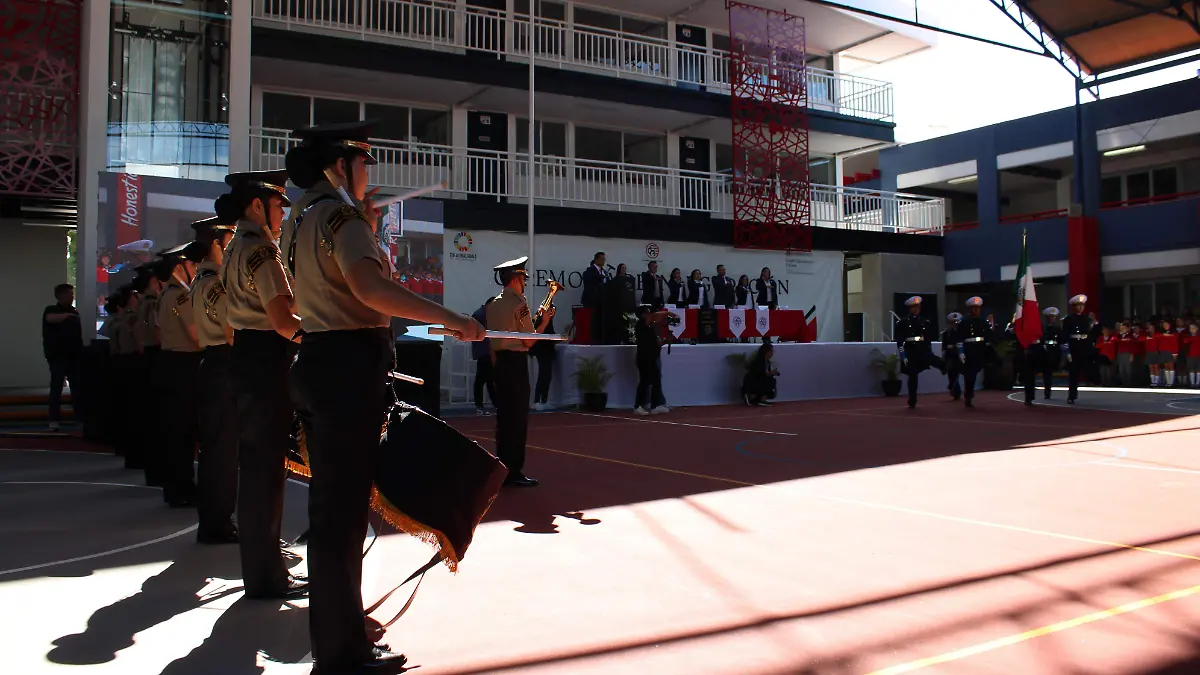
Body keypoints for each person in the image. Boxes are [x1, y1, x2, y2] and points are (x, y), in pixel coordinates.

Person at [283, 120, 483, 674]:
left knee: (333, 513)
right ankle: (342, 654)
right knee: (343, 518)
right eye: (364, 162)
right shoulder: (341, 218)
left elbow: (325, 286)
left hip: (320, 361)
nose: (371, 173)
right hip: (348, 369)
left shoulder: (301, 217)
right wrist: (453, 320)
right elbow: (371, 291)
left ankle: (337, 641)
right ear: (340, 166)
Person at [217, 170, 307, 598]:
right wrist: (321, 335)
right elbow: (283, 321)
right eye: (278, 205)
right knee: (267, 476)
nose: (282, 213)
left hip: (246, 359)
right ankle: (269, 577)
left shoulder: (234, 247)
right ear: (257, 206)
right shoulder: (261, 253)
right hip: (267, 361)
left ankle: (260, 572)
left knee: (255, 472)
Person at [190, 216, 240, 544]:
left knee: (215, 451)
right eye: (229, 239)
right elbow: (232, 332)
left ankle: (214, 519)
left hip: (211, 363)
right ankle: (217, 523)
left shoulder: (200, 281)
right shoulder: (216, 285)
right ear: (215, 243)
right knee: (222, 453)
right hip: (224, 365)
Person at [486, 256, 554, 486]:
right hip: (515, 363)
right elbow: (528, 341)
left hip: (501, 363)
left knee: (504, 418)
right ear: (516, 278)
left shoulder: (493, 303)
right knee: (517, 418)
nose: (524, 282)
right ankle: (513, 470)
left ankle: (502, 467)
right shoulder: (519, 304)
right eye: (523, 278)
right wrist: (543, 322)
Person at [156, 240, 207, 507]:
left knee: (176, 429)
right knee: (184, 431)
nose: (195, 268)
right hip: (184, 365)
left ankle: (175, 486)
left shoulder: (166, 294)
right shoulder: (180, 295)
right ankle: (182, 488)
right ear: (180, 266)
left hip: (171, 363)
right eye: (191, 264)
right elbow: (195, 335)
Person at [42, 283, 83, 431]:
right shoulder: (52, 310)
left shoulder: (74, 312)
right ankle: (53, 419)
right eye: (69, 294)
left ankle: (79, 418)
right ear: (60, 296)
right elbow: (50, 318)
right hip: (57, 356)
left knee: (77, 388)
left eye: (72, 294)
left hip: (74, 356)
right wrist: (67, 316)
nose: (72, 297)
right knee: (56, 388)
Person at [895, 296, 939, 408]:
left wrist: (929, 350)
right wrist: (902, 354)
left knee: (932, 359)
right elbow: (900, 341)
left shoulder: (924, 322)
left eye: (917, 307)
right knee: (913, 375)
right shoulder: (903, 323)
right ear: (909, 308)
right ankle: (912, 399)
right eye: (914, 307)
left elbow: (927, 339)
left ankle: (945, 366)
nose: (916, 309)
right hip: (910, 350)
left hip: (922, 349)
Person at [633, 305, 670, 415]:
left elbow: (655, 343)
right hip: (644, 358)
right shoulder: (640, 325)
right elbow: (653, 317)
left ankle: (655, 405)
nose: (650, 314)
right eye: (647, 312)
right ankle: (638, 406)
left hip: (652, 357)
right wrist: (668, 314)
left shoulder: (650, 328)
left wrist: (665, 341)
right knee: (644, 382)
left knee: (656, 381)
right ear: (643, 315)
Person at [955, 296, 992, 408]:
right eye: (974, 308)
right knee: (969, 375)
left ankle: (970, 393)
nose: (976, 310)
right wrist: (961, 352)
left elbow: (988, 337)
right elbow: (959, 338)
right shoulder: (964, 322)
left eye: (978, 308)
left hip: (980, 349)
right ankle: (968, 396)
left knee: (975, 373)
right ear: (970, 309)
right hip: (969, 350)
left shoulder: (983, 322)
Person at [1061, 295, 1099, 402]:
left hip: (1085, 345)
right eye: (1078, 305)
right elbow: (1065, 335)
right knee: (1074, 372)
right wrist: (1067, 350)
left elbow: (1093, 333)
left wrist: (1095, 323)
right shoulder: (1068, 319)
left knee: (1092, 364)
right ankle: (1072, 396)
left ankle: (1094, 381)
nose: (1080, 307)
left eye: (1082, 305)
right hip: (1074, 346)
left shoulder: (1087, 319)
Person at [1024, 307, 1062, 405]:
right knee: (1034, 373)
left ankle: (1047, 392)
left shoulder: (1057, 328)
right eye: (1050, 316)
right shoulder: (1042, 327)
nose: (1052, 318)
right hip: (1041, 352)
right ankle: (1032, 395)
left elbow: (1060, 340)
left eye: (1054, 317)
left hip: (1052, 352)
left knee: (1048, 373)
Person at [472, 298, 496, 415]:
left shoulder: (484, 314)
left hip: (486, 351)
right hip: (483, 351)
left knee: (487, 379)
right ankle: (480, 405)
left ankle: (484, 405)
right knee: (484, 379)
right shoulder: (480, 315)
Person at [530, 308, 556, 411]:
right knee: (543, 375)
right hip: (542, 351)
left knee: (547, 376)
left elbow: (552, 336)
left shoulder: (549, 322)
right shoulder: (541, 321)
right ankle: (537, 401)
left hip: (547, 351)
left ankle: (544, 400)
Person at [742, 340, 779, 406]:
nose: (772, 353)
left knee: (772, 380)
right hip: (753, 382)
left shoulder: (767, 362)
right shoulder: (759, 361)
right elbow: (762, 373)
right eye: (771, 351)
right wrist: (772, 373)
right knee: (770, 380)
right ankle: (760, 399)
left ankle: (759, 398)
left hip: (759, 381)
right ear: (766, 352)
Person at [941, 312, 963, 400]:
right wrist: (943, 355)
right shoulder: (946, 333)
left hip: (957, 355)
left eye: (957, 322)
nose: (955, 324)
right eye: (953, 322)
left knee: (956, 373)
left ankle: (956, 391)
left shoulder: (961, 333)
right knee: (950, 373)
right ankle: (954, 389)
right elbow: (944, 345)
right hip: (949, 355)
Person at [1157, 319, 1178, 387]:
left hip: (1170, 351)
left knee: (1171, 366)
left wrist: (1175, 353)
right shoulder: (1161, 333)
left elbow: (1175, 343)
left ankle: (1171, 382)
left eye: (1167, 324)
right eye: (1164, 325)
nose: (1165, 326)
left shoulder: (1174, 333)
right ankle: (1168, 382)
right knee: (1166, 366)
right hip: (1163, 351)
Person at [1183, 321, 1200, 387]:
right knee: (1191, 369)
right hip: (1190, 355)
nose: (1192, 330)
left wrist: (1191, 339)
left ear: (1197, 329)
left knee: (1198, 369)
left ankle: (1198, 383)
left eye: (1193, 328)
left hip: (1199, 355)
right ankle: (1192, 383)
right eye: (1191, 328)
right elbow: (1185, 341)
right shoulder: (1187, 336)